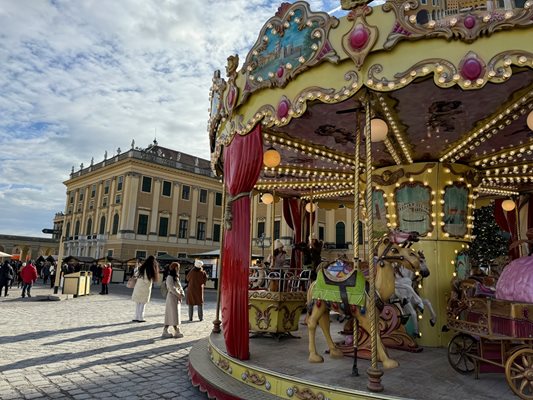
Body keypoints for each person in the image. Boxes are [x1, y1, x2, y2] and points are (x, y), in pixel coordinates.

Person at [131, 255, 160, 322]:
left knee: (138, 303)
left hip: (138, 286)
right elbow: (149, 279)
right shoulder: (151, 268)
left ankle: (136, 316)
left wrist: (137, 267)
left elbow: (136, 274)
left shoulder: (142, 267)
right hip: (146, 287)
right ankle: (141, 317)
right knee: (143, 303)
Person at [162, 262, 185, 338]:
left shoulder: (176, 277)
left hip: (176, 298)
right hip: (172, 297)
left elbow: (180, 287)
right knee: (172, 314)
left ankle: (167, 330)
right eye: (178, 267)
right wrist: (179, 295)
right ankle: (176, 330)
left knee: (173, 314)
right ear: (175, 268)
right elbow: (171, 288)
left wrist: (182, 293)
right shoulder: (169, 277)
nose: (178, 269)